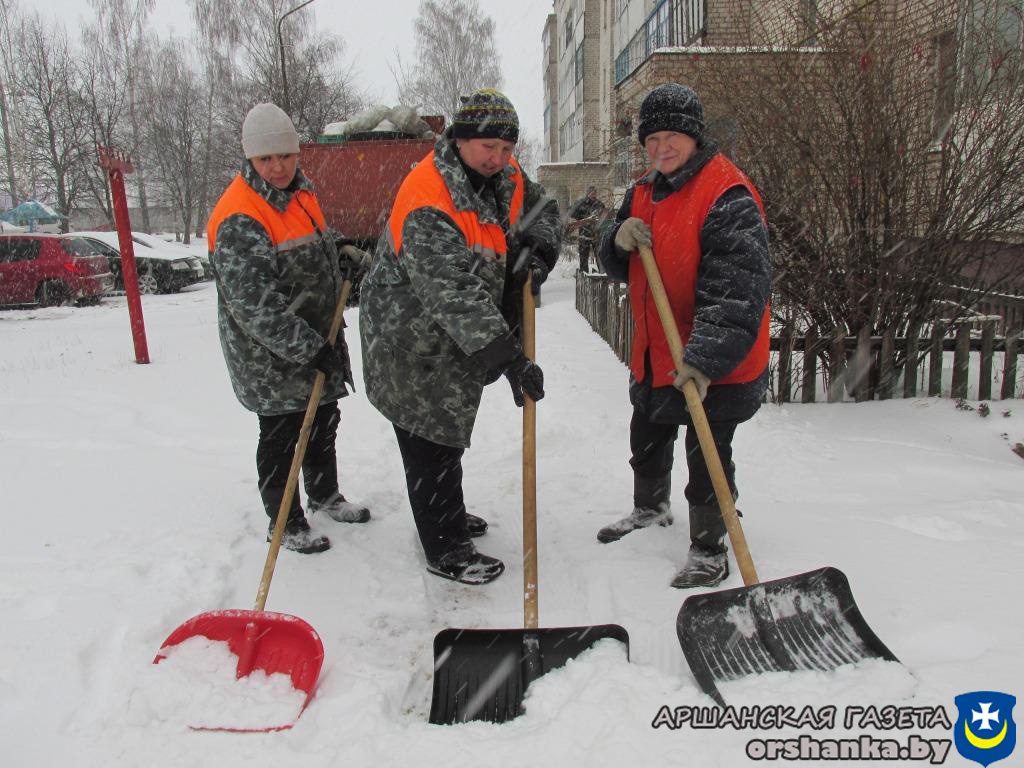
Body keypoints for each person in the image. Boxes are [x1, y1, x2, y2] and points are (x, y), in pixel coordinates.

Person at [359, 88, 561, 585]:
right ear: (461, 140)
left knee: (445, 435)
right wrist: (511, 359)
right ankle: (445, 546)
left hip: (451, 339)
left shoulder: (505, 177)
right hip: (412, 341)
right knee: (429, 437)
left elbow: (544, 209)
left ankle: (446, 514)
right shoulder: (429, 197)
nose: (498, 159)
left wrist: (539, 246)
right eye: (487, 148)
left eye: (507, 149)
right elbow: (453, 294)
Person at [594, 83, 771, 589]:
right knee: (647, 434)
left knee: (707, 452)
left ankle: (711, 545)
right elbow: (617, 261)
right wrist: (615, 238)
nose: (661, 148)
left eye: (672, 136)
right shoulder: (644, 189)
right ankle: (649, 509)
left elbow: (737, 291)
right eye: (652, 139)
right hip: (657, 350)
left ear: (694, 137)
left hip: (715, 357)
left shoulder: (726, 194)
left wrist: (706, 358)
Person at [207, 102, 371, 555]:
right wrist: (307, 347)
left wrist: (337, 245)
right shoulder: (239, 215)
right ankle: (286, 522)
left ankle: (324, 494)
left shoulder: (300, 190)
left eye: (285, 155)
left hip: (316, 334)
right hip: (271, 356)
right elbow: (255, 306)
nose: (278, 167)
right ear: (250, 159)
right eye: (266, 159)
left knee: (322, 419)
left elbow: (311, 234)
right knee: (282, 434)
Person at [568, 185, 606, 273]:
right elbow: (571, 212)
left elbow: (603, 216)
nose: (593, 195)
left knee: (599, 255)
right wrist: (582, 218)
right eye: (592, 193)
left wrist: (598, 221)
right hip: (584, 233)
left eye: (595, 193)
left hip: (596, 234)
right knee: (584, 255)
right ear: (588, 193)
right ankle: (584, 274)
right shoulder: (581, 203)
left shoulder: (599, 204)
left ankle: (602, 273)